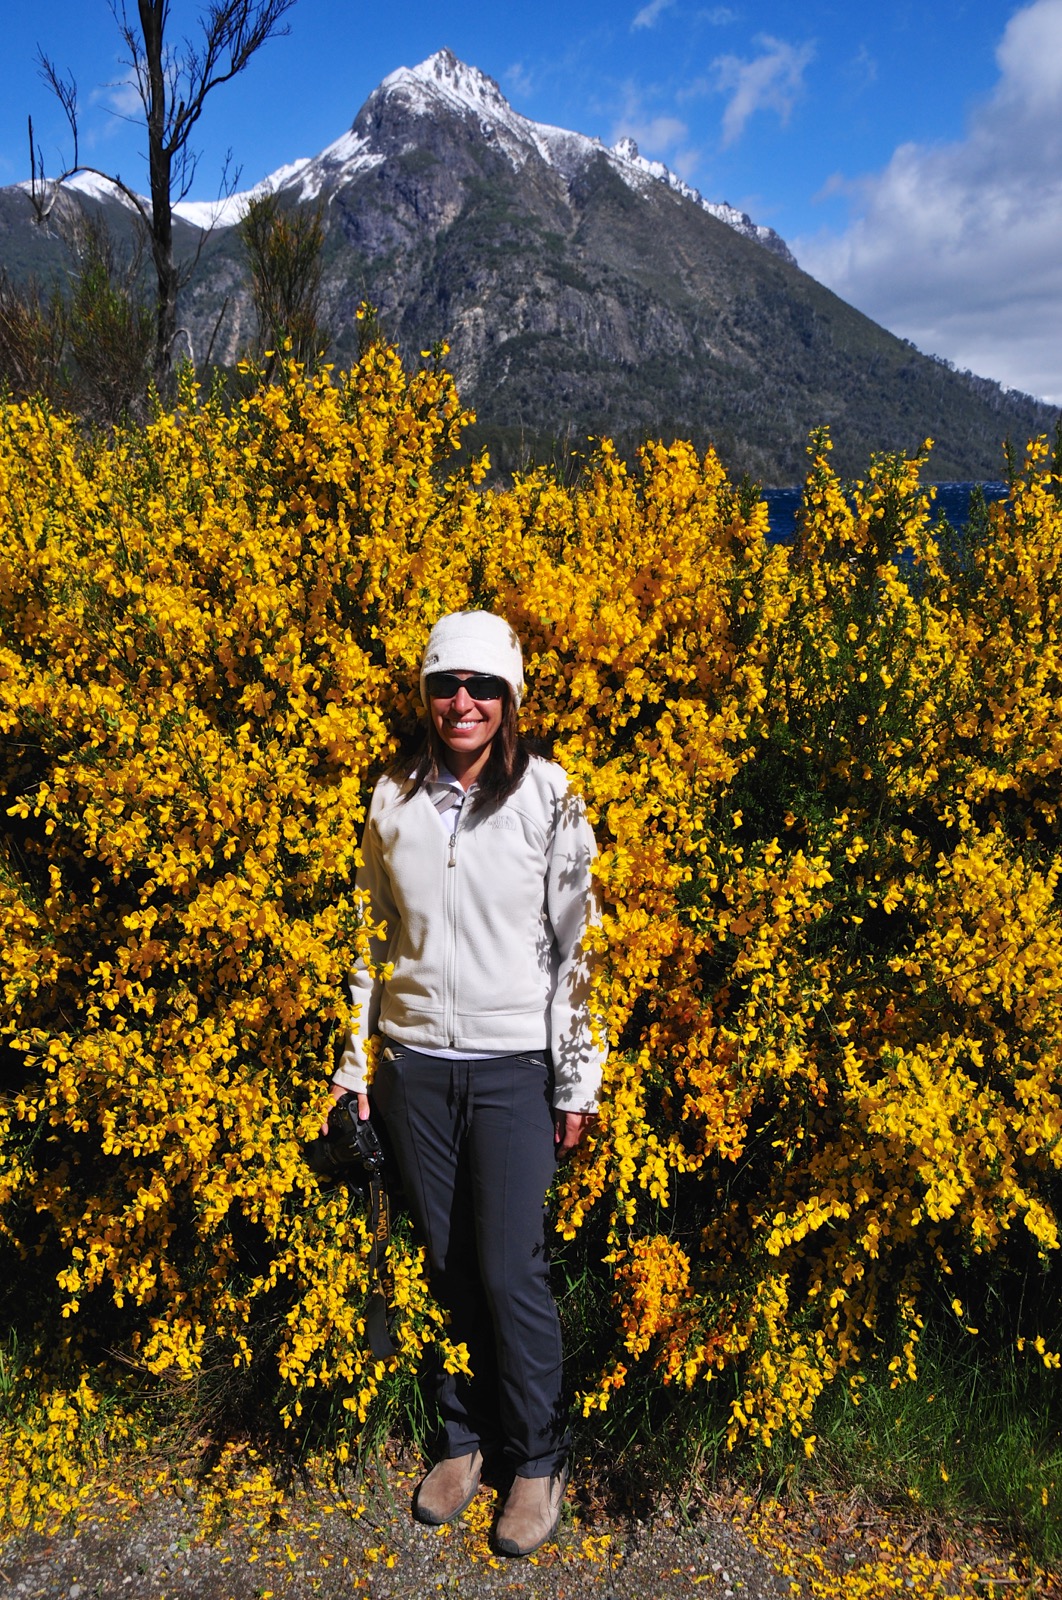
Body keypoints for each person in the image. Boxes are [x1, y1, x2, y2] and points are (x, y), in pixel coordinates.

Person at [326, 610, 605, 1558]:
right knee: (446, 1260)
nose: (464, 703)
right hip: (414, 1065)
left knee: (507, 1267)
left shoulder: (548, 797)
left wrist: (578, 1080)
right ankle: (461, 1438)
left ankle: (536, 1459)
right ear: (426, 695)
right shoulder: (393, 796)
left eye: (484, 687)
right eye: (448, 685)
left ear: (511, 699)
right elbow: (370, 935)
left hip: (511, 1067)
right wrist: (356, 1063)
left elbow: (580, 946)